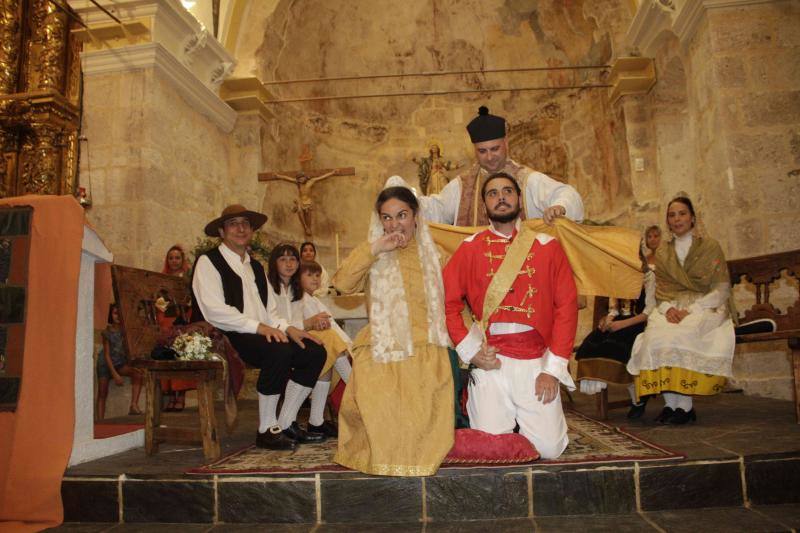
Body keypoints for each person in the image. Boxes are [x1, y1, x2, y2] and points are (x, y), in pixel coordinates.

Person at [443, 172, 578, 459]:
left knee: (549, 450)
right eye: (492, 193)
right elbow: (447, 303)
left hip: (536, 360)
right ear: (484, 205)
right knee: (492, 449)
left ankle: (529, 430)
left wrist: (552, 371)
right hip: (491, 359)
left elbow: (566, 309)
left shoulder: (547, 246)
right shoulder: (469, 248)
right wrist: (472, 352)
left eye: (507, 191)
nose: (500, 197)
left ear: (518, 200)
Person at [333, 179, 454, 476]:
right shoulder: (373, 252)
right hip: (383, 349)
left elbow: (456, 299)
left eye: (401, 215)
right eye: (386, 217)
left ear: (415, 216)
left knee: (424, 429)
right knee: (380, 420)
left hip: (427, 350)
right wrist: (375, 248)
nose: (394, 224)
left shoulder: (436, 255)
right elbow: (342, 283)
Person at [191, 204, 326, 450]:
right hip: (227, 333)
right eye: (234, 224)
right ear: (222, 231)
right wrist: (259, 328)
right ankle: (266, 428)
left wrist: (289, 328)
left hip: (258, 331)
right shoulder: (208, 262)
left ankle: (286, 422)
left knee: (314, 351)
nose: (241, 229)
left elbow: (270, 311)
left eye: (246, 224)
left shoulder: (254, 266)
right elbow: (214, 310)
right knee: (278, 350)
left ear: (252, 230)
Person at [626, 197, 735, 424]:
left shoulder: (710, 246)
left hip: (705, 304)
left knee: (683, 333)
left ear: (693, 217)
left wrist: (692, 309)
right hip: (670, 305)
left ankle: (685, 408)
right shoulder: (663, 252)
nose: (677, 219)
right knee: (657, 335)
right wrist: (667, 309)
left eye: (682, 213)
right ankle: (670, 405)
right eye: (672, 215)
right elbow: (661, 291)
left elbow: (722, 288)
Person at [420, 106, 584, 227]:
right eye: (482, 151)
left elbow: (566, 194)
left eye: (495, 149)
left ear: (505, 144)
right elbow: (437, 209)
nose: (490, 157)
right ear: (474, 151)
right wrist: (405, 198)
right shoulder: (462, 186)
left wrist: (560, 206)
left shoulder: (527, 180)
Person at [575, 239, 657, 417]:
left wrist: (621, 324)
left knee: (619, 348)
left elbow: (649, 311)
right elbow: (614, 309)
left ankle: (638, 397)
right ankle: (635, 396)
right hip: (619, 323)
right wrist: (607, 319)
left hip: (639, 323)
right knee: (590, 344)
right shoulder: (619, 278)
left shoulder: (649, 277)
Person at [299, 260, 354, 437]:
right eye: (309, 275)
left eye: (317, 275)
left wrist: (348, 344)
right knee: (333, 345)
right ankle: (355, 385)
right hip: (306, 347)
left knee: (334, 348)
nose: (315, 279)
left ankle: (316, 422)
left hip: (323, 348)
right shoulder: (299, 298)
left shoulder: (314, 299)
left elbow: (332, 326)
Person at [159, 244, 194, 412]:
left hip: (182, 321)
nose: (174, 261)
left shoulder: (188, 277)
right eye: (171, 258)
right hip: (167, 321)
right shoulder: (161, 278)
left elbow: (191, 298)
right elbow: (159, 302)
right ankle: (172, 397)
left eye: (177, 257)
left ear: (182, 260)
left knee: (181, 357)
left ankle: (181, 398)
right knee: (169, 358)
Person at [96, 303, 144, 419]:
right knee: (102, 392)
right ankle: (100, 420)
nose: (117, 316)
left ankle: (133, 405)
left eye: (120, 314)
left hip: (119, 363)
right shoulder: (107, 332)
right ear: (110, 315)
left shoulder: (126, 331)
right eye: (115, 313)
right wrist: (115, 374)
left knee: (137, 373)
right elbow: (107, 355)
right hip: (106, 364)